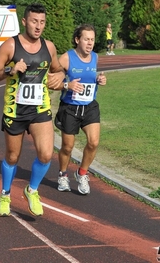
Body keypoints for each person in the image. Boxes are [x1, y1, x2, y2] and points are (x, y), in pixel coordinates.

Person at [0, 3, 65, 217]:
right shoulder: (10, 46)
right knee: (12, 157)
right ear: (24, 21)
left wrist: (61, 77)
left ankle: (32, 190)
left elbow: (58, 69)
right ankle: (5, 194)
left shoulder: (49, 47)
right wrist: (10, 70)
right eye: (34, 21)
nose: (38, 26)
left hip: (39, 108)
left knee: (46, 154)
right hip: (15, 110)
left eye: (42, 22)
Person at [55, 24, 107, 195]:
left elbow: (91, 78)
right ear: (78, 40)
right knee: (68, 147)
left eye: (92, 39)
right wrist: (66, 85)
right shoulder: (67, 58)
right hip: (70, 108)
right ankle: (63, 174)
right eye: (86, 39)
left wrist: (99, 80)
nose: (90, 43)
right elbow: (50, 79)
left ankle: (82, 173)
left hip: (89, 106)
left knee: (94, 142)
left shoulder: (95, 57)